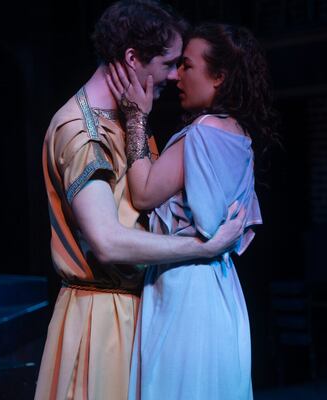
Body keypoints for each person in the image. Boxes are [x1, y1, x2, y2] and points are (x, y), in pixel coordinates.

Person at [36, 3, 246, 400]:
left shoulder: (128, 117)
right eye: (168, 63)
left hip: (138, 311)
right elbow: (108, 241)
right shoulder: (82, 130)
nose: (174, 75)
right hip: (104, 321)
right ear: (133, 58)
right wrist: (204, 246)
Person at [107, 22, 278, 399]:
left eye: (187, 66)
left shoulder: (201, 133)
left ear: (218, 77)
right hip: (220, 287)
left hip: (186, 288)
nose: (177, 75)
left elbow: (145, 194)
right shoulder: (240, 135)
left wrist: (136, 118)